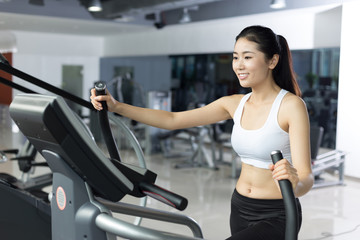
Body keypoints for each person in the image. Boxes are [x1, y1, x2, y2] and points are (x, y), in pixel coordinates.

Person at [90, 25, 314, 240]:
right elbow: (173, 120)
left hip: (277, 213)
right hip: (239, 206)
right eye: (235, 57)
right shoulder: (234, 103)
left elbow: (306, 177)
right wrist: (117, 106)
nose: (238, 65)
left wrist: (295, 183)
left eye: (247, 57)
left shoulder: (291, 106)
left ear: (272, 60)